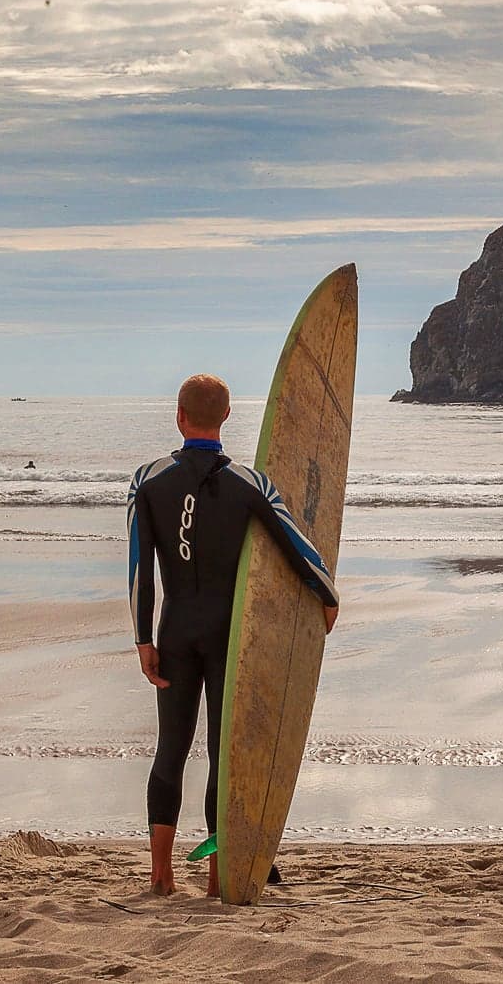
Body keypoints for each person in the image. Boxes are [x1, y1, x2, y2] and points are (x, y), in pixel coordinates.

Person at [127, 373, 339, 896]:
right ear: (226, 418)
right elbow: (298, 548)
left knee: (171, 748)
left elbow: (140, 569)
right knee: (225, 753)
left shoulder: (147, 481)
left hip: (174, 630)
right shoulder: (252, 483)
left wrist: (143, 640)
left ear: (179, 417)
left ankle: (161, 875)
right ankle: (219, 875)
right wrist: (327, 596)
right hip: (229, 636)